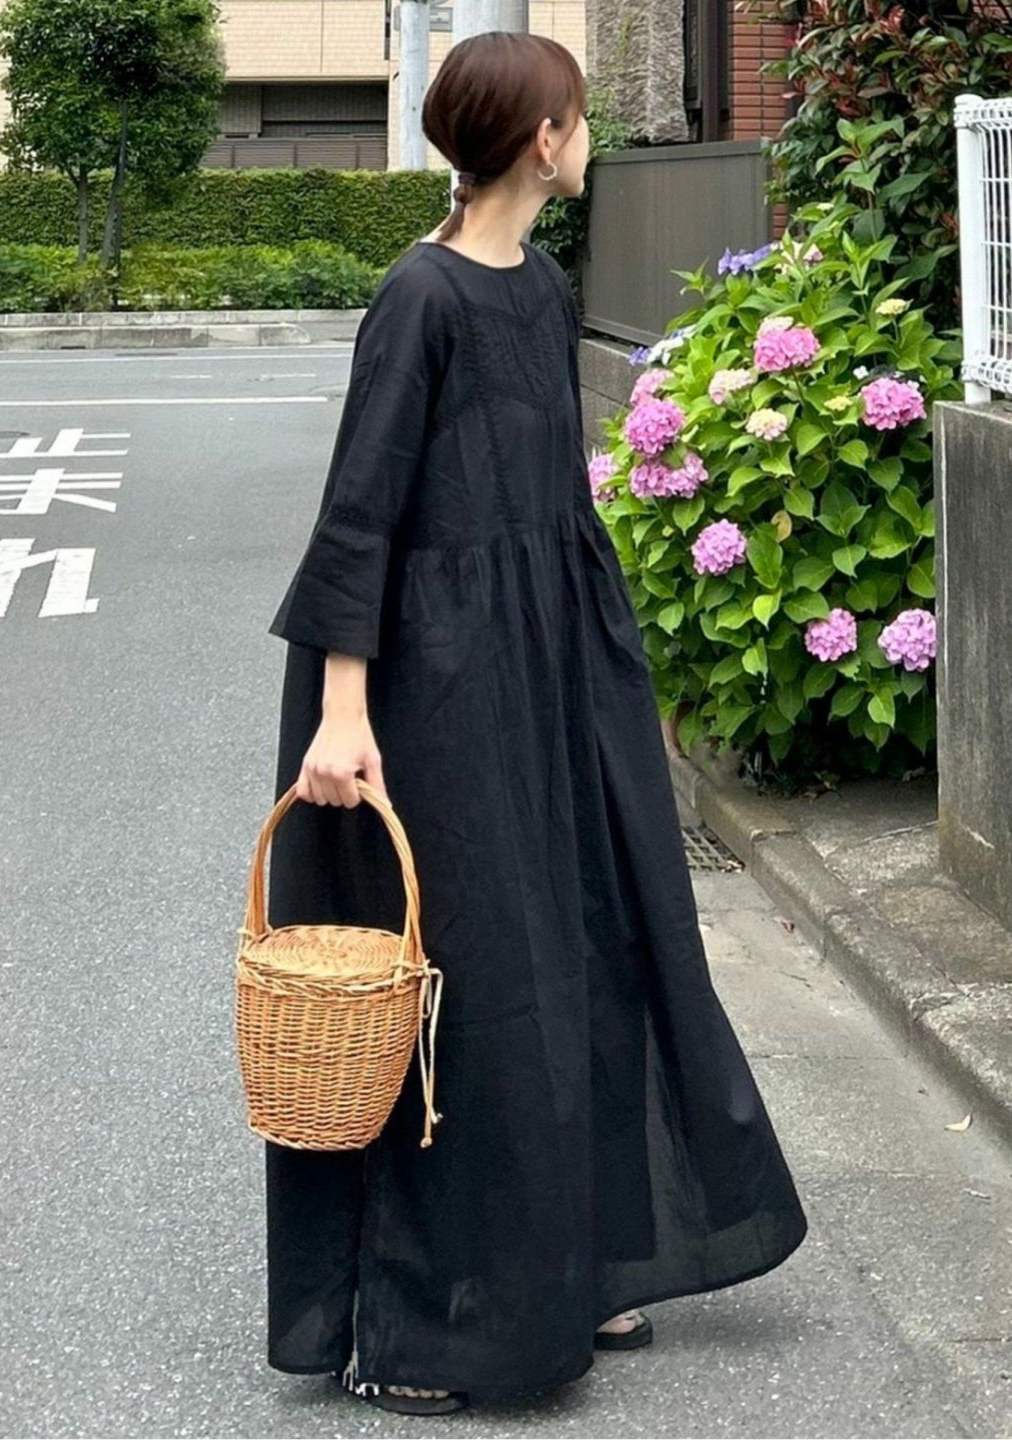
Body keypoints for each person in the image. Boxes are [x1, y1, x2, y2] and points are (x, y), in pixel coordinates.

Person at [261, 29, 809, 1418]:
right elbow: (360, 514)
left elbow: (551, 498)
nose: (588, 136)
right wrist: (341, 714)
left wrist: (607, 673)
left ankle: (577, 1259)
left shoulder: (541, 284)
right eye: (578, 116)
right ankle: (433, 1321)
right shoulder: (420, 297)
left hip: (550, 664)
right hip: (432, 686)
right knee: (474, 976)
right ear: (546, 138)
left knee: (590, 939)